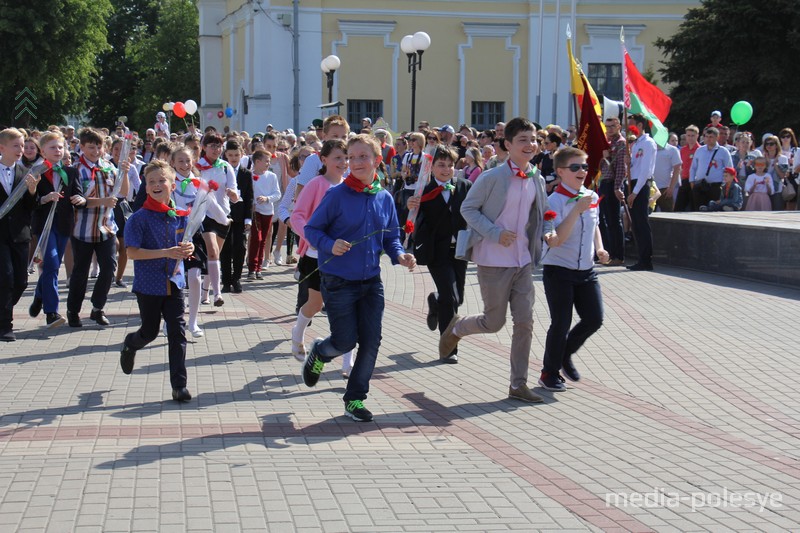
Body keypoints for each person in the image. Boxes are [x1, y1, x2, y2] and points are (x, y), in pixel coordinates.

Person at [301, 134, 417, 422]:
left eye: (363, 156)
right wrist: (330, 244)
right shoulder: (336, 195)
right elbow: (313, 230)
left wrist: (400, 255)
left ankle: (354, 399)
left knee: (371, 340)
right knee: (345, 341)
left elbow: (391, 237)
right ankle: (320, 351)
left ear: (378, 160)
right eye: (352, 157)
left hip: (371, 282)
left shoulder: (385, 198)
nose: (355, 162)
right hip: (338, 280)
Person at [438, 117, 549, 403]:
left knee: (525, 322)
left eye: (533, 139)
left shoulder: (536, 178)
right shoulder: (492, 177)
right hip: (492, 259)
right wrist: (495, 233)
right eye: (523, 140)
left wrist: (546, 235)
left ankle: (518, 384)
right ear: (508, 145)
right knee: (494, 322)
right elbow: (468, 209)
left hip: (523, 260)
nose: (530, 144)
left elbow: (541, 215)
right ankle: (458, 326)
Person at [120, 160, 194, 402]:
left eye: (162, 180)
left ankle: (178, 386)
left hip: (174, 283)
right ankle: (131, 343)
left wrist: (188, 248)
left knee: (177, 333)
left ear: (173, 185)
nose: (156, 185)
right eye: (151, 181)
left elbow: (184, 245)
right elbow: (132, 252)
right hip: (149, 285)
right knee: (149, 332)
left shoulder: (181, 215)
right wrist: (165, 252)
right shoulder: (139, 218)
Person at [538, 147, 608, 391]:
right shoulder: (552, 201)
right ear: (560, 171)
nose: (582, 172)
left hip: (586, 270)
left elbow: (594, 225)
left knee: (595, 319)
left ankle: (565, 353)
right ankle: (549, 372)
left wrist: (600, 248)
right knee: (561, 322)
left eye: (585, 167)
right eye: (575, 167)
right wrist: (576, 209)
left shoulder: (591, 196)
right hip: (559, 270)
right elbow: (555, 239)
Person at [290, 139, 354, 376]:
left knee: (347, 308)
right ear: (324, 160)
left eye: (346, 157)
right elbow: (297, 215)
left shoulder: (350, 185)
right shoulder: (316, 184)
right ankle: (297, 334)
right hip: (316, 255)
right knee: (315, 304)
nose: (344, 162)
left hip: (344, 256)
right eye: (338, 157)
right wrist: (314, 237)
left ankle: (348, 363)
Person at [406, 145, 471, 363]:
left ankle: (434, 301)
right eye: (441, 165)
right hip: (436, 252)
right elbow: (409, 215)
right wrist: (410, 206)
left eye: (450, 165)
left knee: (457, 298)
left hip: (460, 250)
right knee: (450, 298)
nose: (446, 169)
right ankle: (448, 348)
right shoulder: (422, 190)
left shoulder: (465, 186)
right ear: (432, 167)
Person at [67, 128, 129, 327]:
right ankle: (73, 311)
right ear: (82, 147)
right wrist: (102, 200)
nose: (95, 151)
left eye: (99, 147)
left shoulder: (109, 167)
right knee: (80, 273)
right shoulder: (75, 169)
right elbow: (76, 200)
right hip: (82, 230)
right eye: (90, 147)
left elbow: (123, 193)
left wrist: (124, 173)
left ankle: (97, 308)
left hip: (106, 228)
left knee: (109, 268)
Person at [29, 131, 86, 330]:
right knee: (52, 263)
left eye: (60, 147)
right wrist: (43, 198)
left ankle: (39, 294)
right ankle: (51, 312)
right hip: (44, 225)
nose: (58, 150)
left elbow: (78, 195)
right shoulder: (35, 171)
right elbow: (29, 201)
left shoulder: (70, 172)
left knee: (52, 265)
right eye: (53, 147)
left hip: (63, 224)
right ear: (43, 151)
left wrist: (81, 200)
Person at [0, 128, 40, 340]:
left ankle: (2, 311)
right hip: (0, 236)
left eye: (23, 146)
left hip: (19, 234)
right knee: (5, 278)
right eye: (16, 146)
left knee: (21, 281)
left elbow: (29, 207)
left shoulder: (26, 174)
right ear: (2, 147)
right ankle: (5, 325)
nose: (21, 150)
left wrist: (33, 191)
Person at [195, 133, 239, 306]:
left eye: (219, 146)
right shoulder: (197, 166)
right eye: (212, 145)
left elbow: (235, 192)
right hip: (205, 215)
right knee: (212, 251)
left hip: (223, 215)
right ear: (204, 147)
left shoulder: (225, 167)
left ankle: (205, 292)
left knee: (214, 256)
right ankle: (217, 294)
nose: (216, 149)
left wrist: (233, 194)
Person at [623, 115, 657, 271]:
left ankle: (646, 260)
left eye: (632, 125)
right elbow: (633, 168)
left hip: (641, 186)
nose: (629, 128)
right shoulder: (634, 143)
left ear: (640, 125)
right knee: (635, 224)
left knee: (641, 223)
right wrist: (627, 164)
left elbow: (645, 171)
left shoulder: (648, 143)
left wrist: (635, 193)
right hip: (632, 183)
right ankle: (640, 258)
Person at [220, 140, 253, 293]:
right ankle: (226, 280)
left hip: (240, 217)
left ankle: (236, 278)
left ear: (241, 155)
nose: (233, 158)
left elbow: (249, 197)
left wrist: (248, 219)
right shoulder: (222, 170)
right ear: (226, 155)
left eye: (236, 155)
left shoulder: (246, 174)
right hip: (224, 215)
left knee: (240, 247)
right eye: (230, 155)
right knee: (225, 248)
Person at [246, 150, 281, 279]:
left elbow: (277, 194)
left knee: (263, 240)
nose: (268, 163)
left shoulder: (271, 176)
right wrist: (252, 203)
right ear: (257, 162)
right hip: (255, 211)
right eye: (266, 161)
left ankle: (258, 268)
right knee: (256, 237)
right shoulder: (249, 175)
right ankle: (252, 267)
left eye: (269, 161)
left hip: (267, 211)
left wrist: (267, 198)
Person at [597, 117, 626, 265]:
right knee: (606, 220)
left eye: (612, 126)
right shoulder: (608, 143)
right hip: (604, 183)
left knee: (614, 221)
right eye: (607, 127)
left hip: (613, 184)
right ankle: (608, 254)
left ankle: (618, 256)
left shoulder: (621, 143)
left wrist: (617, 187)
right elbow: (602, 166)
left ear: (619, 126)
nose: (609, 129)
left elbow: (621, 168)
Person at [689, 127, 733, 212]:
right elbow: (693, 167)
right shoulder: (700, 150)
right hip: (700, 185)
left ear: (717, 137)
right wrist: (692, 182)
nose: (708, 139)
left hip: (715, 186)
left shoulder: (723, 151)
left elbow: (729, 168)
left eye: (711, 137)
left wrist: (724, 184)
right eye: (707, 136)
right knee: (697, 209)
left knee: (713, 210)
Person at [676, 125, 701, 212]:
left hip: (695, 181)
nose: (690, 138)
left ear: (697, 135)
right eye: (688, 135)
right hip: (684, 180)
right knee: (678, 207)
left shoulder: (700, 150)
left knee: (694, 207)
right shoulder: (682, 150)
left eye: (692, 135)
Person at [653, 140, 681, 212]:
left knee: (668, 216)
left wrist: (671, 187)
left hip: (665, 189)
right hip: (652, 189)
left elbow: (677, 168)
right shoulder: (651, 148)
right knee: (648, 216)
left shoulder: (672, 150)